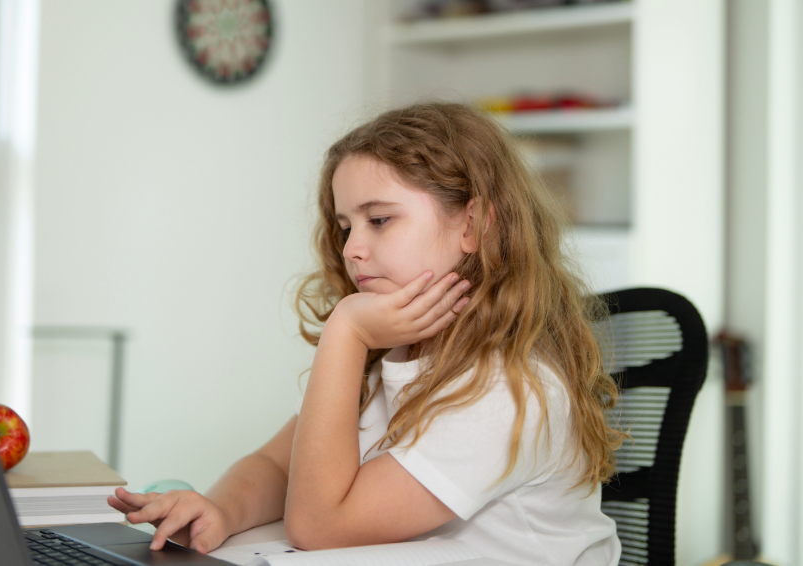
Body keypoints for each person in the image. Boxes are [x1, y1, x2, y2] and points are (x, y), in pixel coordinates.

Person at [108, 102, 625, 565]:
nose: (352, 248)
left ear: (473, 226)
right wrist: (220, 508)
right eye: (345, 226)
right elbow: (276, 463)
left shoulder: (509, 390)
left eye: (379, 220)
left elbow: (319, 526)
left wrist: (346, 331)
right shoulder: (391, 356)